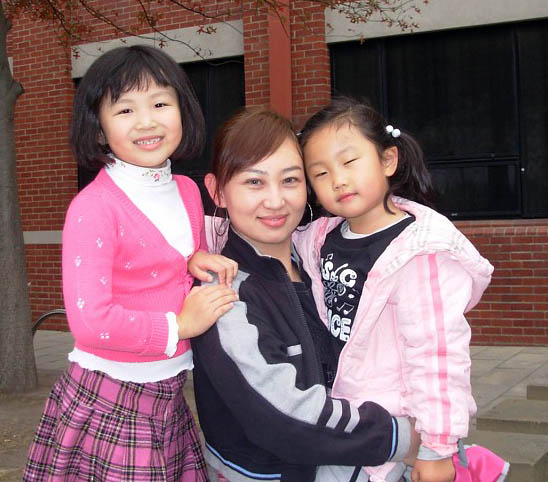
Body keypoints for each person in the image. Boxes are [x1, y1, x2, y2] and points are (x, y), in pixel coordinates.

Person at [23, 45, 238, 482]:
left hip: (170, 396)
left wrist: (194, 259)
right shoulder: (94, 207)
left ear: (183, 110)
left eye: (160, 103)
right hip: (111, 400)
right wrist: (180, 326)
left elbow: (162, 260)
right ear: (99, 128)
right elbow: (91, 322)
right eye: (125, 109)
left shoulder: (186, 190)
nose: (146, 122)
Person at [190, 107, 420, 482]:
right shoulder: (223, 294)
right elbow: (284, 420)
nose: (275, 200)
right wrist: (402, 437)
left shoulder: (320, 262)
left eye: (290, 180)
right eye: (254, 182)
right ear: (217, 190)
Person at [295, 97, 507, 482]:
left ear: (388, 160)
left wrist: (437, 447)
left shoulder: (419, 251)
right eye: (321, 173)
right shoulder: (319, 239)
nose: (338, 179)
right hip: (344, 418)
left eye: (349, 161)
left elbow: (438, 353)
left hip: (398, 425)